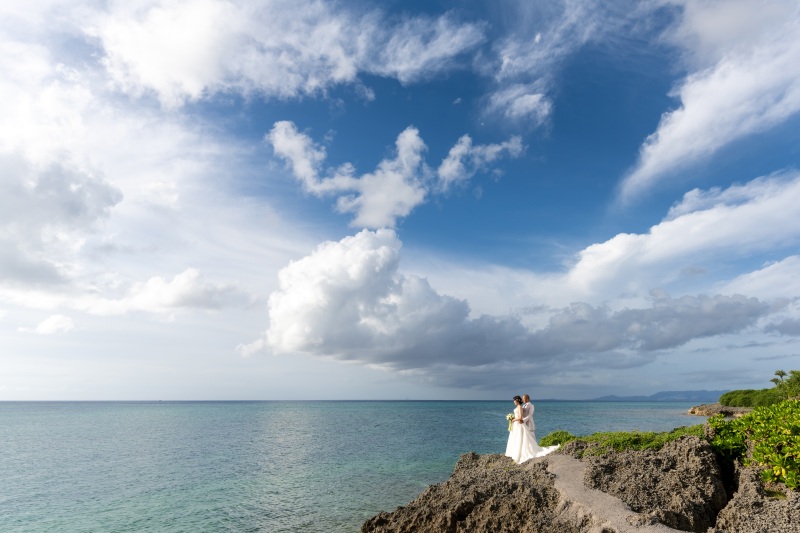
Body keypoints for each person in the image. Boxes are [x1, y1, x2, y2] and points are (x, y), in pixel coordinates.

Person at [504, 394, 559, 464]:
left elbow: (529, 415)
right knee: (520, 438)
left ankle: (530, 450)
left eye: (524, 398)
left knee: (530, 439)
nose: (523, 400)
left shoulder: (531, 406)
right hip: (520, 423)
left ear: (527, 398)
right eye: (523, 399)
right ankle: (518, 451)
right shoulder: (523, 406)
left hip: (527, 423)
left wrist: (518, 420)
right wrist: (513, 418)